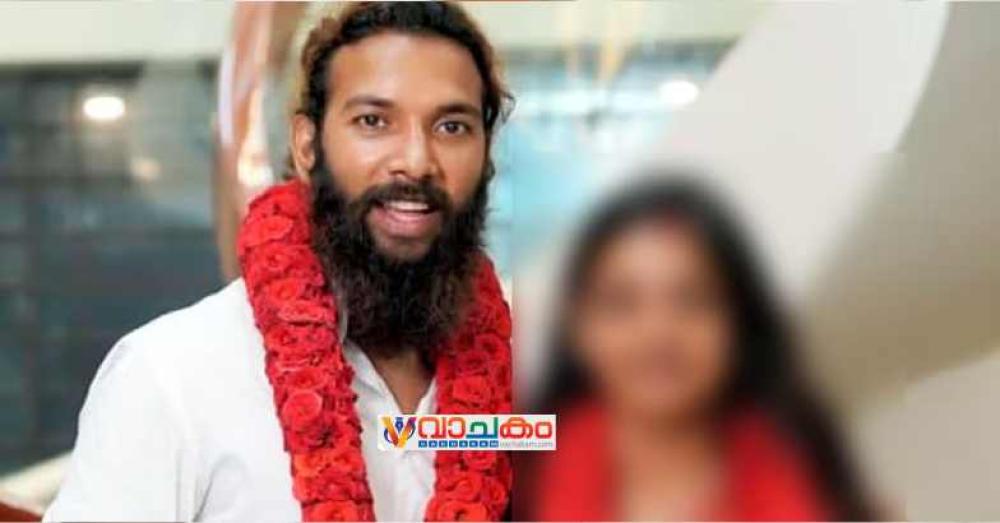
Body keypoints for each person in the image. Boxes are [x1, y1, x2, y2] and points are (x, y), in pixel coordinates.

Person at [45, 3, 514, 521]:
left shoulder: (533, 381)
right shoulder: (171, 376)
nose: (417, 161)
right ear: (307, 145)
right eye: (374, 121)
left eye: (451, 127)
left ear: (486, 152)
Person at [516, 175, 878, 521]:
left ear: (739, 322)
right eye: (621, 303)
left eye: (692, 300)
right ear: (577, 325)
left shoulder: (813, 483)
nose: (658, 333)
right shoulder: (516, 449)